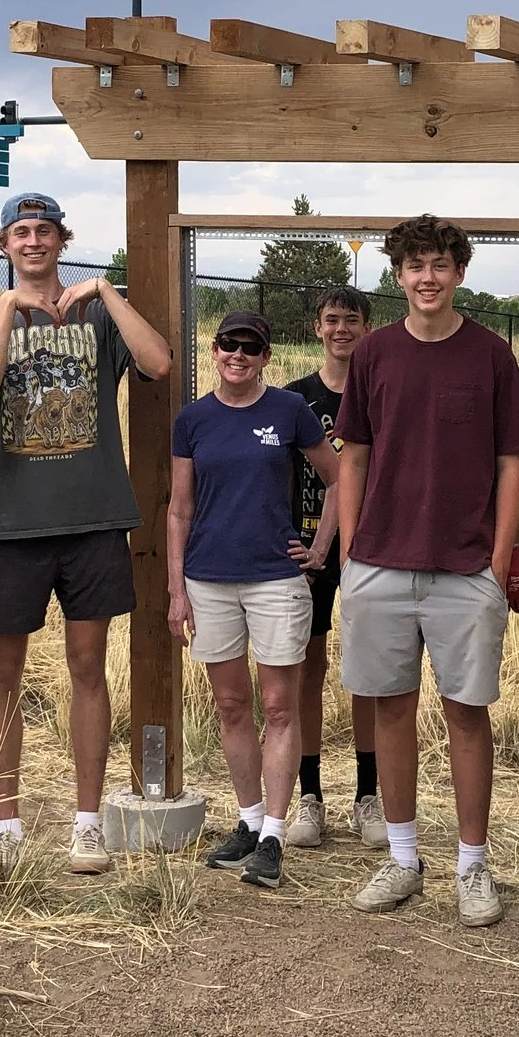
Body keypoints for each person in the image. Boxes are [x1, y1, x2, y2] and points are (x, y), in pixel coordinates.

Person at [0, 192, 174, 874]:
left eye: (44, 230)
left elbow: (160, 363)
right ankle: (7, 826)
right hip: (13, 524)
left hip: (92, 517)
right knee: (1, 674)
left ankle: (86, 822)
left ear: (62, 238)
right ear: (3, 244)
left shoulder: (97, 313)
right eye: (21, 231)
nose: (34, 241)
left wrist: (108, 288)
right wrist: (11, 311)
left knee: (87, 667)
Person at [336, 214, 519, 927]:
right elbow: (352, 453)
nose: (428, 277)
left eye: (440, 265)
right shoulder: (375, 354)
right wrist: (354, 548)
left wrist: (501, 551)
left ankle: (473, 865)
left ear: (459, 273)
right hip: (379, 564)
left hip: (463, 568)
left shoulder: (489, 355)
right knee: (390, 708)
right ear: (397, 275)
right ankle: (402, 856)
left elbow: (514, 459)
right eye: (415, 265)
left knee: (465, 712)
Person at [168, 311, 339, 889]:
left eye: (251, 348)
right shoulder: (192, 420)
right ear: (212, 351)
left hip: (274, 578)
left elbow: (339, 478)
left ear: (266, 356)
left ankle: (272, 833)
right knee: (231, 704)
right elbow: (179, 509)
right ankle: (244, 820)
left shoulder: (289, 411)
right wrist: (175, 589)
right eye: (228, 345)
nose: (237, 356)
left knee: (279, 706)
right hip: (208, 578)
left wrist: (320, 548)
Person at [279, 284, 384, 849]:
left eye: (352, 320)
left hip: (370, 547)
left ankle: (368, 795)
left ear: (368, 327)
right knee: (306, 671)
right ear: (317, 328)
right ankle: (310, 795)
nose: (342, 329)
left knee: (367, 671)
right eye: (332, 320)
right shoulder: (296, 399)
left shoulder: (382, 393)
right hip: (307, 550)